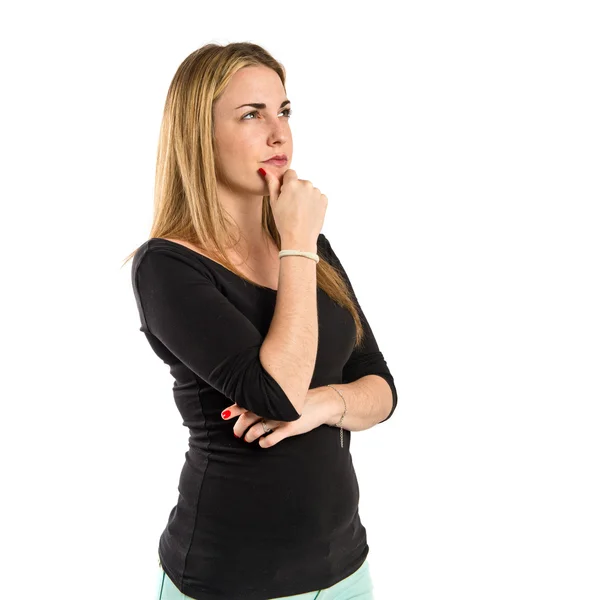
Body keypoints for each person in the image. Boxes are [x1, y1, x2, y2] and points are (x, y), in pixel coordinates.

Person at [125, 42, 398, 600]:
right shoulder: (167, 266)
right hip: (228, 580)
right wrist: (297, 243)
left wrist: (319, 406)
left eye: (284, 111)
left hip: (345, 568)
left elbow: (382, 388)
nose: (279, 133)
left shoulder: (310, 246)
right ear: (200, 135)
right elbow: (274, 393)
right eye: (252, 115)